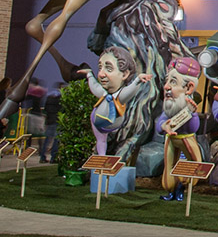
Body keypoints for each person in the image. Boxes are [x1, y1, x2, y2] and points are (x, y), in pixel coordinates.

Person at [79, 47, 152, 155]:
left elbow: (129, 91)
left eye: (109, 69)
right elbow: (94, 86)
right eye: (100, 68)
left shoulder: (120, 96)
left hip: (114, 124)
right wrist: (89, 74)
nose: (101, 74)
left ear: (125, 74)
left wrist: (138, 80)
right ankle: (101, 156)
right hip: (97, 122)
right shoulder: (103, 93)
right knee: (101, 141)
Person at [157, 56, 203, 202]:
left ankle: (182, 188)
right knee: (169, 167)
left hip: (186, 139)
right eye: (167, 82)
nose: (166, 87)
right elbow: (160, 123)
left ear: (188, 88)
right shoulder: (170, 106)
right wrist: (163, 126)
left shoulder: (188, 105)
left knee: (192, 165)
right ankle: (171, 190)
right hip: (171, 139)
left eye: (173, 82)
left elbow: (193, 127)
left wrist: (191, 114)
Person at [39, 84, 63, 163]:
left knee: (47, 140)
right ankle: (53, 157)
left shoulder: (49, 98)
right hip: (57, 120)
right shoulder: (60, 99)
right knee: (56, 140)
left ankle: (42, 156)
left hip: (49, 120)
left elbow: (46, 109)